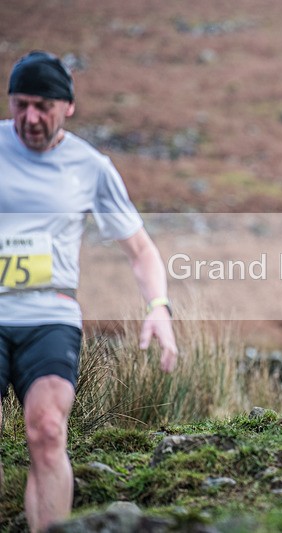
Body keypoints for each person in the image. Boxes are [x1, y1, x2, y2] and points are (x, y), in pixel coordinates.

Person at [0, 50, 178, 532]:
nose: (29, 118)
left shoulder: (90, 166)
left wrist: (158, 308)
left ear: (68, 107)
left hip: (50, 317)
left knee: (47, 431)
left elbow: (140, 250)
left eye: (42, 106)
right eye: (19, 105)